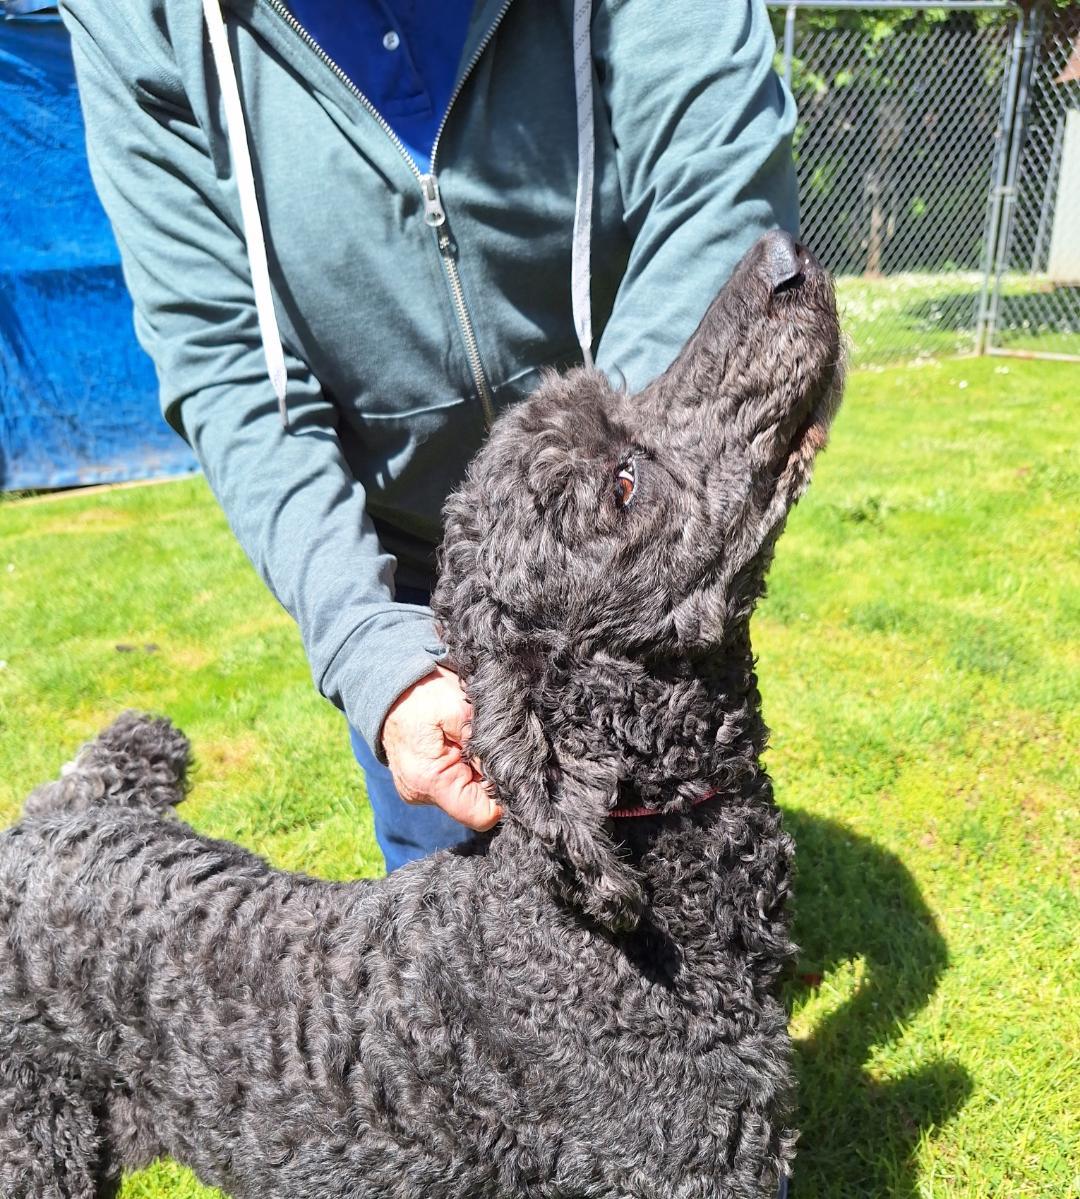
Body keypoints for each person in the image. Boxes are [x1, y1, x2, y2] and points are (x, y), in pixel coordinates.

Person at [58, 0, 797, 874]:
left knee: (697, 873)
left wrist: (619, 491)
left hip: (626, 526)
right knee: (473, 953)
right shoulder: (137, 18)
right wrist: (377, 655)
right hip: (417, 577)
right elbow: (226, 358)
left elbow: (720, 174)